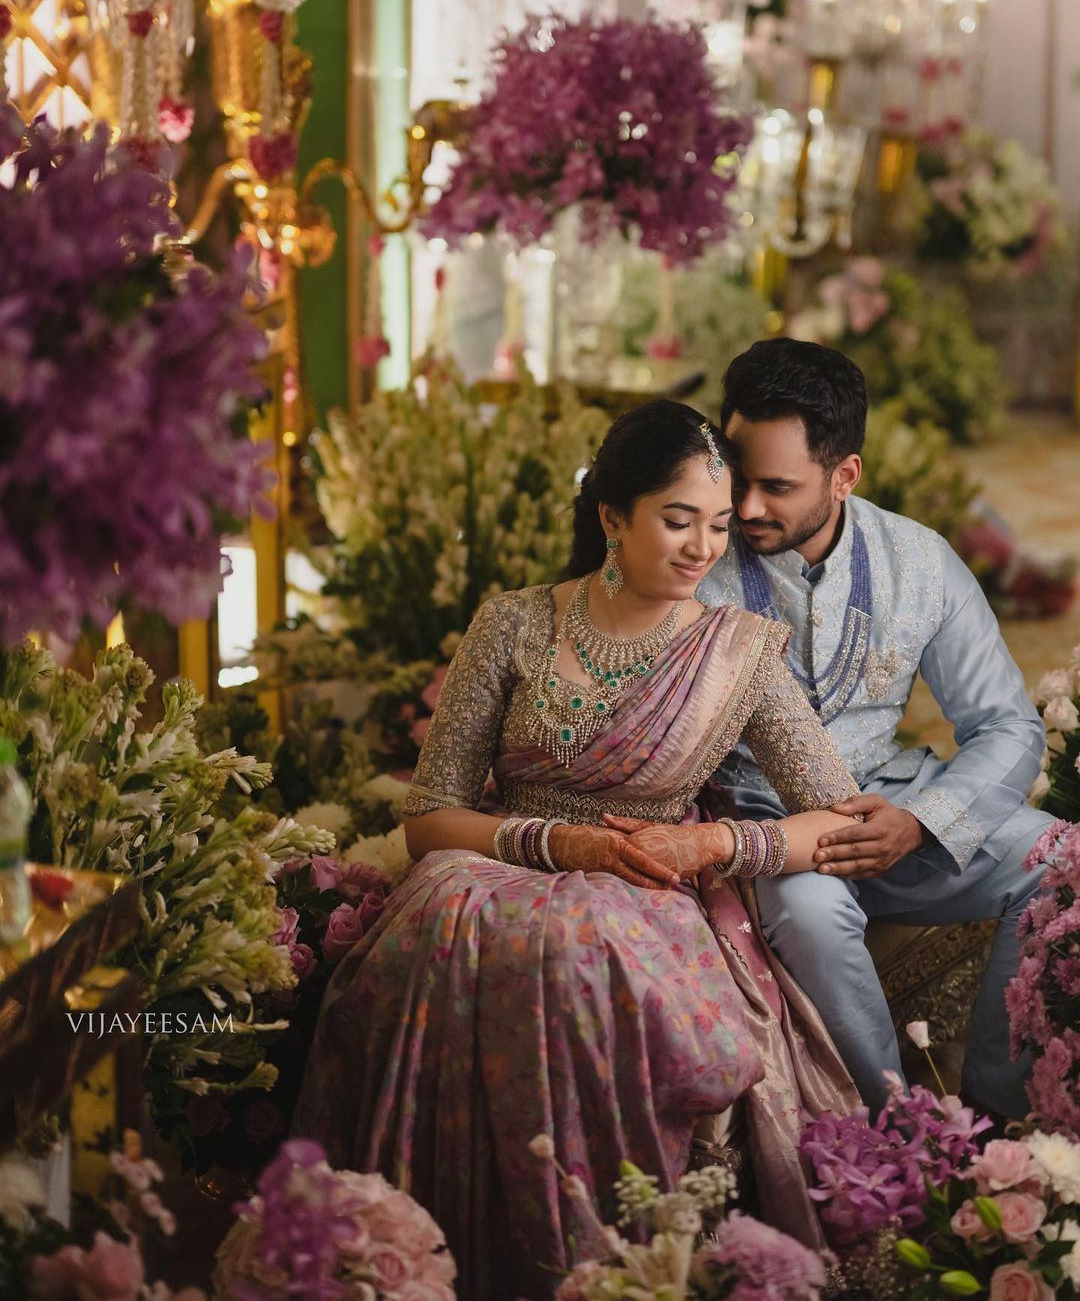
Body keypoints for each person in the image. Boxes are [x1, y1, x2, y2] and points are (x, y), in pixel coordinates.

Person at [294, 399, 861, 1301]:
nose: (702, 548)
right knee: (459, 912)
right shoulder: (513, 623)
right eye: (677, 520)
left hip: (645, 892)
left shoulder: (738, 650)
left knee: (576, 947)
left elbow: (839, 818)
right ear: (610, 515)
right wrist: (563, 842)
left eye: (718, 525)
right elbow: (431, 814)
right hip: (491, 867)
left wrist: (711, 838)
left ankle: (606, 1262)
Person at [699, 336, 1052, 1123]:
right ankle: (899, 1131)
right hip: (770, 829)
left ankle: (998, 1121)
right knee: (815, 917)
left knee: (1058, 859)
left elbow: (1006, 724)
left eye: (778, 486)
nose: (748, 506)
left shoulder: (918, 561)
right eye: (739, 477)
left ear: (844, 474)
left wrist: (922, 821)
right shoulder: (696, 552)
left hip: (896, 808)